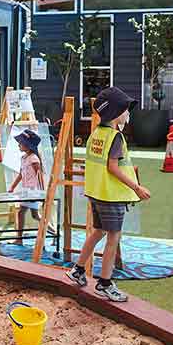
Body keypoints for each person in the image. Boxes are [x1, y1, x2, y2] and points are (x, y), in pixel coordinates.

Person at [67, 87, 150, 303]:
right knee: (113, 238)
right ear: (115, 113)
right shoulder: (115, 137)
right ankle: (104, 283)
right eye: (125, 109)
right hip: (110, 196)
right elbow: (113, 168)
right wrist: (136, 187)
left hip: (96, 193)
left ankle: (78, 270)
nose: (128, 113)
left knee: (98, 232)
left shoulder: (96, 133)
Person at [7, 129, 45, 244]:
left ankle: (19, 238)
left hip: (33, 191)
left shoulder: (34, 158)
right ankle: (51, 231)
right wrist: (13, 186)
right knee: (34, 215)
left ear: (28, 146)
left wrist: (42, 193)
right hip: (27, 190)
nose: (19, 145)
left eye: (21, 143)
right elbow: (21, 174)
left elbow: (40, 175)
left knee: (22, 212)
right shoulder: (24, 158)